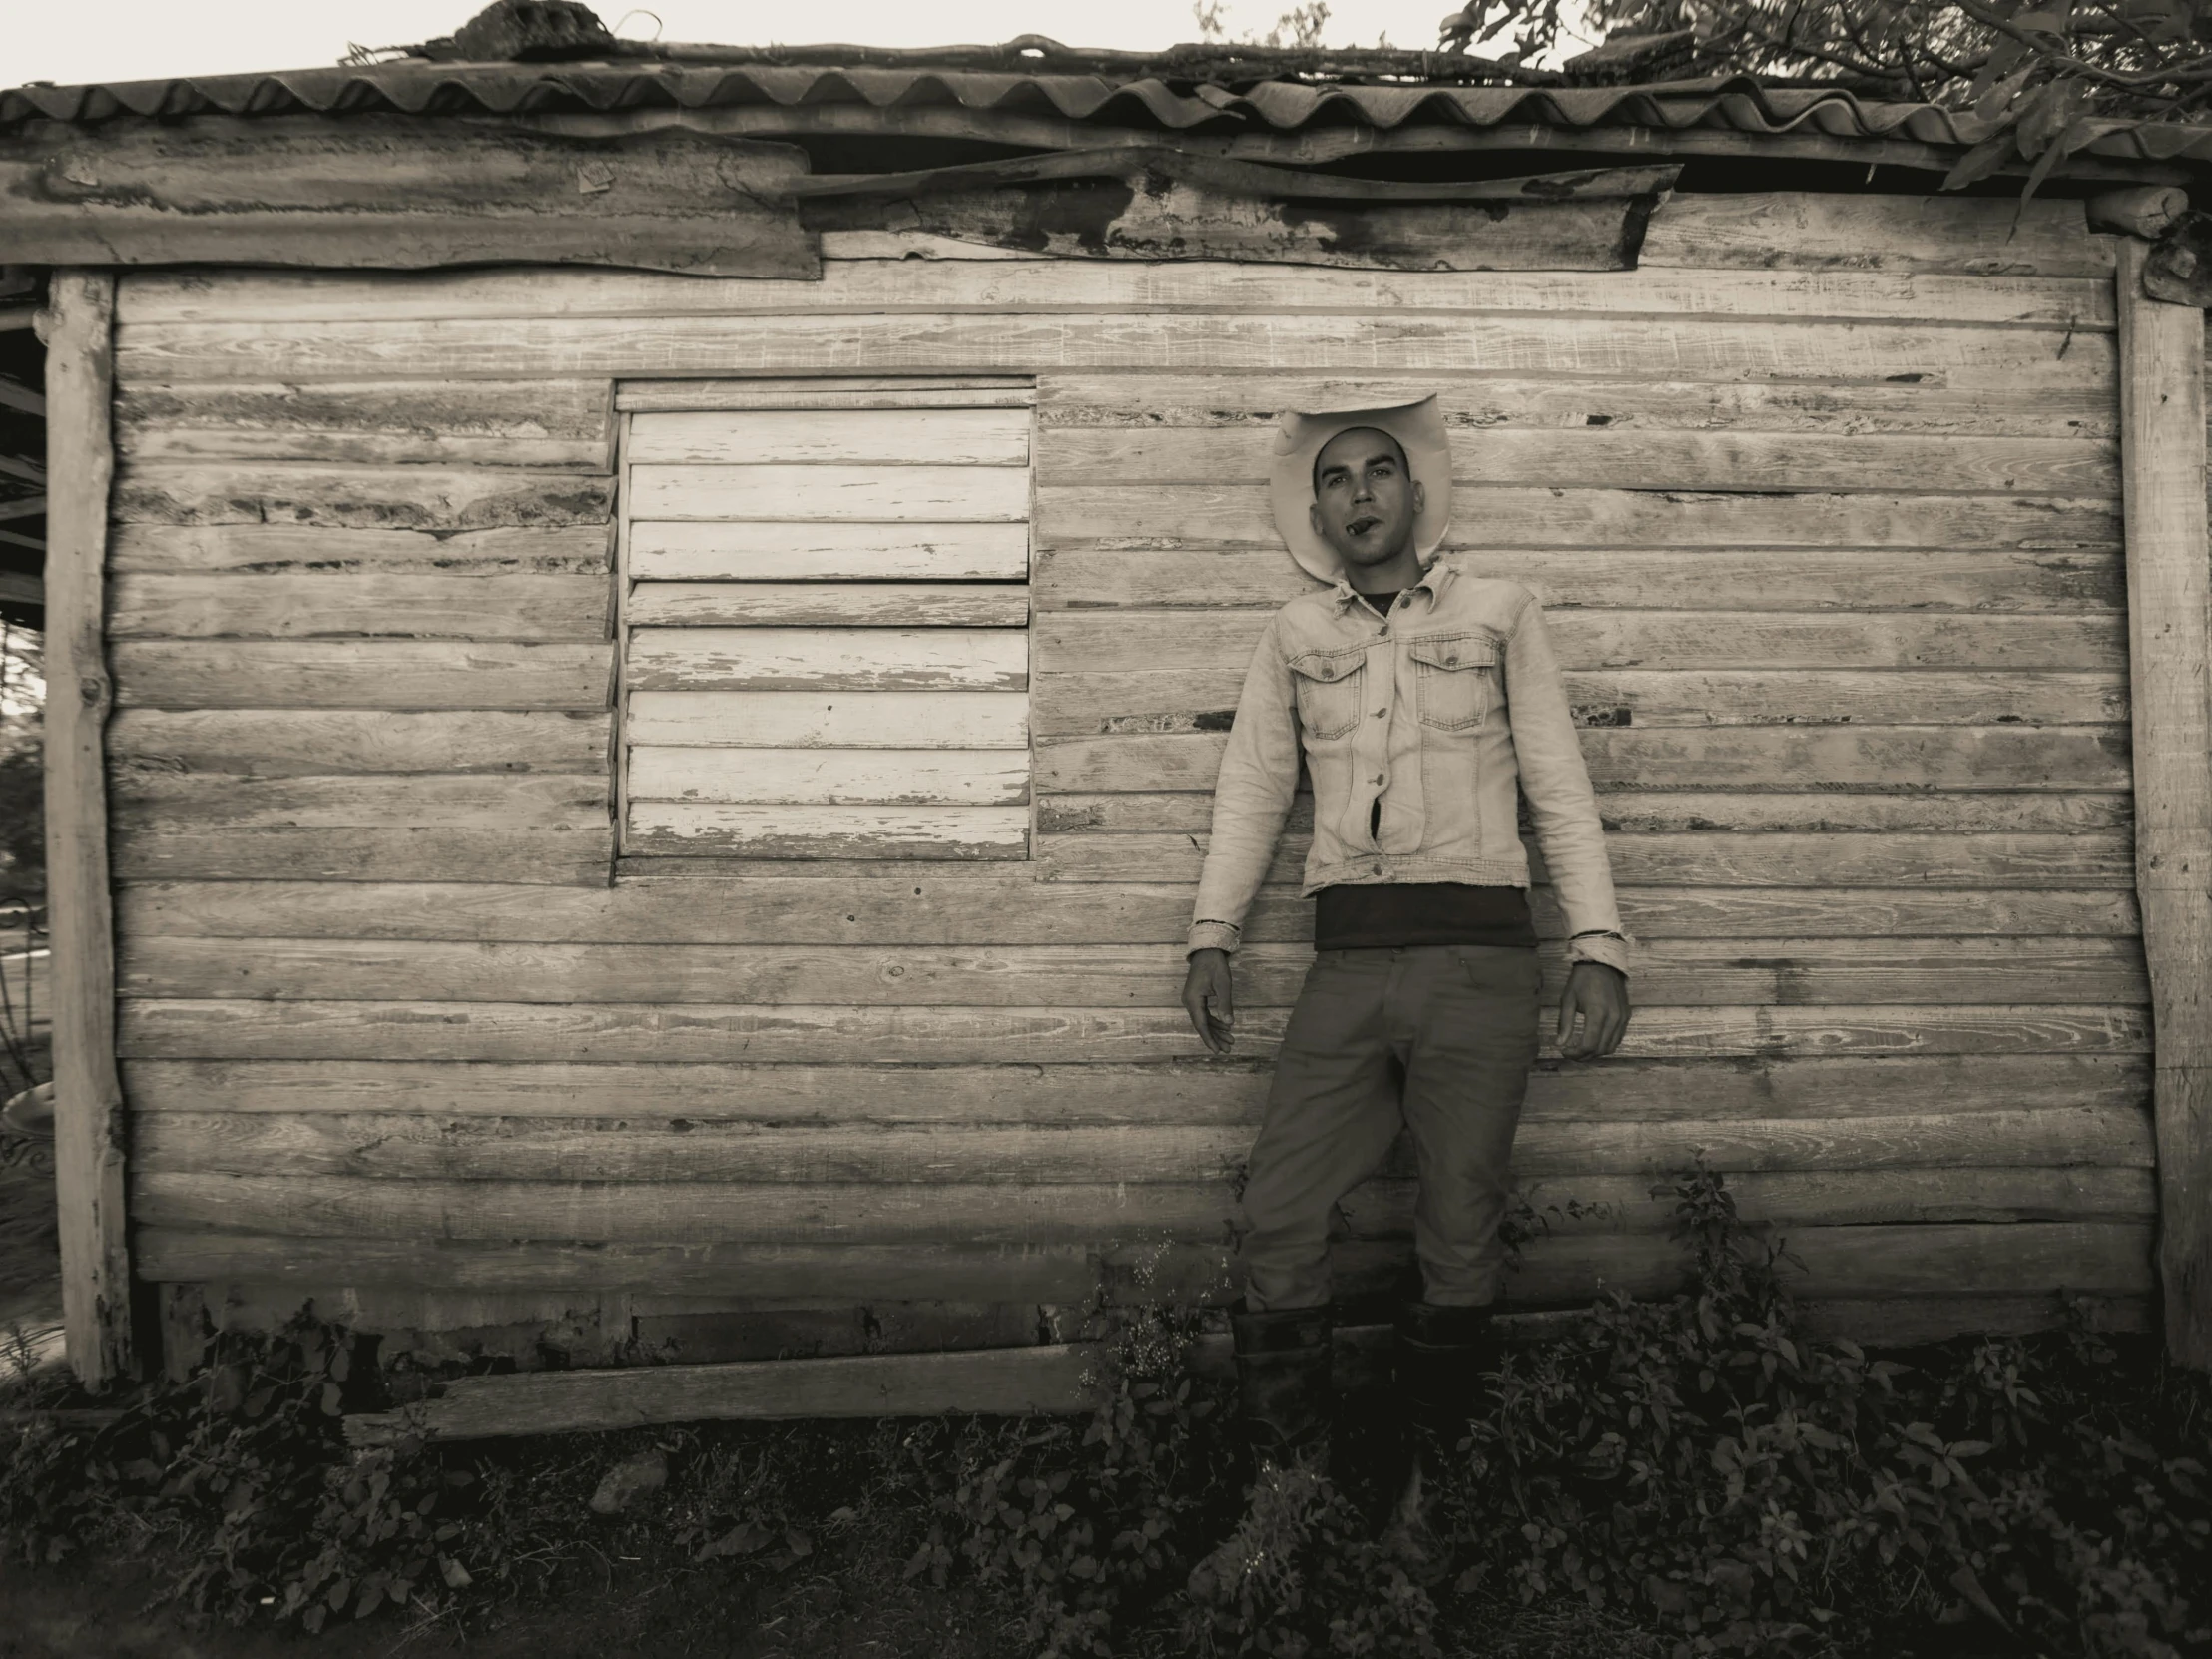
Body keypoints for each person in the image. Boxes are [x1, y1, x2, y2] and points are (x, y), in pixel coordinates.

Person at [1180, 395, 1632, 1475]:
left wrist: (1598, 945)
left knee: (1459, 1218)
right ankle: (1293, 1482)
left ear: (1414, 493)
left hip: (1479, 965)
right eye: (1334, 480)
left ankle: (1434, 1477)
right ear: (1317, 514)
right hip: (1346, 965)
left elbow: (1555, 781)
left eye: (1376, 471)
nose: (1358, 492)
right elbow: (1252, 789)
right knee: (1278, 1207)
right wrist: (1212, 934)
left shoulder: (1495, 612)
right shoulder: (1294, 635)